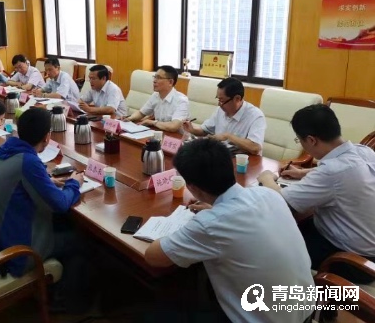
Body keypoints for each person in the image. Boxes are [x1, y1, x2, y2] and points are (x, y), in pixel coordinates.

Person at [144, 139, 314, 323]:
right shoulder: (268, 194)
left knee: (160, 312)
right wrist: (216, 210)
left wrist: (207, 219)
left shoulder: (210, 225)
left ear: (191, 187)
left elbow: (153, 257)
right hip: (306, 311)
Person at [0, 108, 91, 313]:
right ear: (47, 136)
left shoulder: (8, 149)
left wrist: (46, 181)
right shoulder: (28, 161)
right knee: (82, 240)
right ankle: (64, 300)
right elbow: (60, 204)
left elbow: (20, 182)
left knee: (66, 224)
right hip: (17, 249)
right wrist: (74, 183)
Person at [257, 104, 375, 284]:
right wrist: (302, 172)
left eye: (300, 141)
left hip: (350, 260)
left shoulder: (332, 172)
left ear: (311, 140)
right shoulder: (363, 151)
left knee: (270, 242)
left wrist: (267, 178)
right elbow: (345, 171)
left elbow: (282, 200)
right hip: (365, 244)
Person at [183, 77, 266, 155]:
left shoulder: (255, 116)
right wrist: (192, 129)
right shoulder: (221, 110)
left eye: (222, 101)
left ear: (237, 99)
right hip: (220, 156)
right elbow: (205, 130)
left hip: (243, 161)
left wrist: (228, 136)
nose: (219, 104)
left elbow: (255, 147)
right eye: (218, 99)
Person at [124, 65, 188, 132]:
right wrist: (130, 118)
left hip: (176, 137)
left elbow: (173, 126)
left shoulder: (181, 101)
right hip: (159, 133)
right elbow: (141, 113)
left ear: (170, 82)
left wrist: (152, 122)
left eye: (159, 78)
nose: (154, 81)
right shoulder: (155, 95)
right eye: (155, 77)